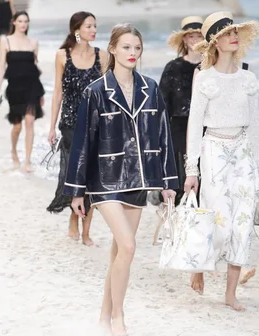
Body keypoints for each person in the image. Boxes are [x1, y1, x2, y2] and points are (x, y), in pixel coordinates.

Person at [64, 23, 178, 335]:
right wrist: (76, 191)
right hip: (105, 180)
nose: (132, 53)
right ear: (112, 49)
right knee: (128, 247)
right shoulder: (96, 92)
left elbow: (164, 135)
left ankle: (104, 313)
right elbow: (82, 143)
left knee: (119, 251)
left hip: (140, 180)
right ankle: (119, 317)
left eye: (137, 48)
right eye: (126, 47)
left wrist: (168, 182)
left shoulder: (150, 88)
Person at [184, 11, 259, 311]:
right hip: (214, 150)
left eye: (236, 32)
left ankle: (231, 294)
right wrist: (191, 169)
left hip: (243, 151)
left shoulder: (249, 78)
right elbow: (194, 125)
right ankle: (199, 266)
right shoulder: (204, 79)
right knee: (219, 223)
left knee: (242, 223)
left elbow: (256, 122)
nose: (235, 36)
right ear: (216, 42)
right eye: (228, 33)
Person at [46, 11, 108, 246]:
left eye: (95, 26)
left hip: (95, 124)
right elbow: (57, 93)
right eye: (89, 26)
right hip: (71, 124)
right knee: (76, 176)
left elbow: (106, 93)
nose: (93, 30)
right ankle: (74, 216)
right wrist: (51, 127)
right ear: (77, 29)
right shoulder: (62, 56)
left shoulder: (101, 55)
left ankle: (86, 231)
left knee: (90, 176)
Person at [159, 16, 203, 204]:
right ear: (184, 40)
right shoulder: (173, 67)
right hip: (178, 129)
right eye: (191, 37)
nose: (195, 41)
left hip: (206, 130)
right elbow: (162, 106)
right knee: (181, 180)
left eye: (199, 36)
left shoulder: (211, 67)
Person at [0, 11, 44, 173]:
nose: (23, 24)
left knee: (30, 121)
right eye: (20, 21)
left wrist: (41, 93)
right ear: (14, 22)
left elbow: (35, 69)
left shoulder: (34, 43)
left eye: (26, 21)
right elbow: (2, 67)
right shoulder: (6, 41)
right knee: (17, 126)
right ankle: (14, 151)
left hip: (32, 87)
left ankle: (27, 161)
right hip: (14, 88)